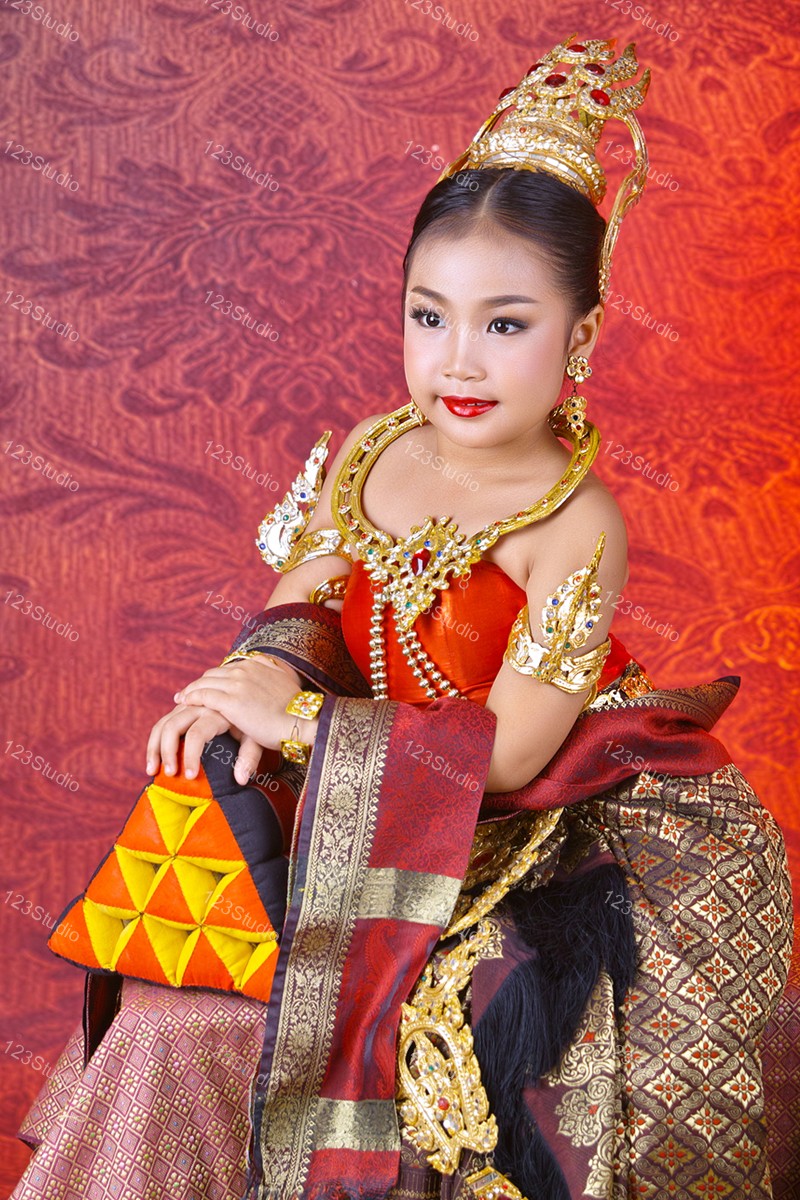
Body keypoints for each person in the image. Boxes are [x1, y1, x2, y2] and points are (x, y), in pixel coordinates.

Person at [10, 34, 793, 1200]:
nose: (456, 363)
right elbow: (303, 605)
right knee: (185, 929)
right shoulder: (375, 453)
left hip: (531, 813)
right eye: (429, 317)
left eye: (504, 325)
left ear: (578, 337)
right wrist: (244, 686)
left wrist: (297, 728)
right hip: (365, 785)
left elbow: (513, 751)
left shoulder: (573, 523)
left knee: (498, 1011)